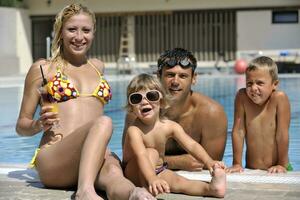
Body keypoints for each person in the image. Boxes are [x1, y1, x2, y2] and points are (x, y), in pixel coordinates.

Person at [15, 3, 155, 200]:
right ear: (60, 32)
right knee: (104, 122)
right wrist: (38, 124)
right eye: (72, 29)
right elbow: (21, 126)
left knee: (115, 175)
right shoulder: (43, 69)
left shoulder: (98, 67)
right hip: (55, 157)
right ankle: (84, 191)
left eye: (86, 30)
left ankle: (134, 195)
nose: (79, 37)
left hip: (93, 157)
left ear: (93, 32)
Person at [122, 73, 226, 197]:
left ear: (161, 102)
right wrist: (151, 179)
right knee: (151, 152)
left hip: (157, 170)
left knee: (179, 182)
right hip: (133, 172)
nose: (144, 102)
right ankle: (146, 189)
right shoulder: (134, 130)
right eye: (136, 98)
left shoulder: (169, 126)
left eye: (151, 96)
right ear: (131, 107)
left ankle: (212, 189)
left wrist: (209, 161)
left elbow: (191, 145)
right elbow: (141, 155)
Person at [123, 48, 227, 171]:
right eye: (170, 75)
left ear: (194, 78)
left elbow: (212, 163)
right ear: (158, 76)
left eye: (183, 76)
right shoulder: (139, 112)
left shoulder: (211, 114)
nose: (175, 82)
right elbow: (129, 160)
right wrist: (176, 162)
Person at [226, 56, 292, 174]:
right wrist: (237, 163)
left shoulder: (279, 99)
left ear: (274, 84)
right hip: (251, 167)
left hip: (280, 167)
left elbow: (282, 134)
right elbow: (238, 131)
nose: (253, 88)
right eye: (249, 83)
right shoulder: (242, 97)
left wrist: (281, 165)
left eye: (260, 83)